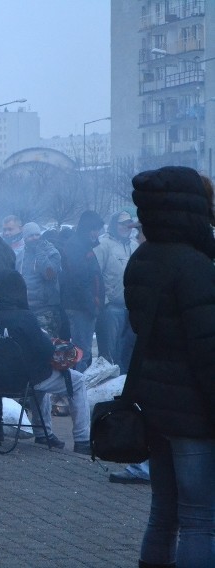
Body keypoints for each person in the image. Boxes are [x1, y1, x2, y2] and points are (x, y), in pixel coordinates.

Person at [125, 166, 215, 568]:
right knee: (200, 518)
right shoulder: (195, 266)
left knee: (164, 513)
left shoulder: (142, 258)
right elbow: (207, 351)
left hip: (156, 406)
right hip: (193, 412)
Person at [0, 269, 90, 453]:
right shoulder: (24, 318)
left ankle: (44, 434)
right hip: (24, 382)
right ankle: (82, 440)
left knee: (37, 377)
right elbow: (47, 351)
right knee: (78, 381)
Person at [60, 211, 105, 371]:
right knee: (81, 353)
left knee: (82, 351)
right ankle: (78, 389)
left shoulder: (84, 245)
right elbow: (79, 281)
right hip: (80, 307)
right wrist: (92, 305)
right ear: (86, 228)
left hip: (83, 305)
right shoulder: (76, 246)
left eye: (98, 229)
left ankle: (78, 388)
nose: (96, 233)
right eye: (93, 229)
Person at [94, 211, 138, 373]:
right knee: (109, 354)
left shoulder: (134, 244)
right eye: (122, 223)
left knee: (127, 351)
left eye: (128, 223)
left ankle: (124, 386)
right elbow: (95, 274)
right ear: (114, 225)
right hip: (111, 308)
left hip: (132, 308)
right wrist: (102, 301)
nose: (126, 227)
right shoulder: (103, 244)